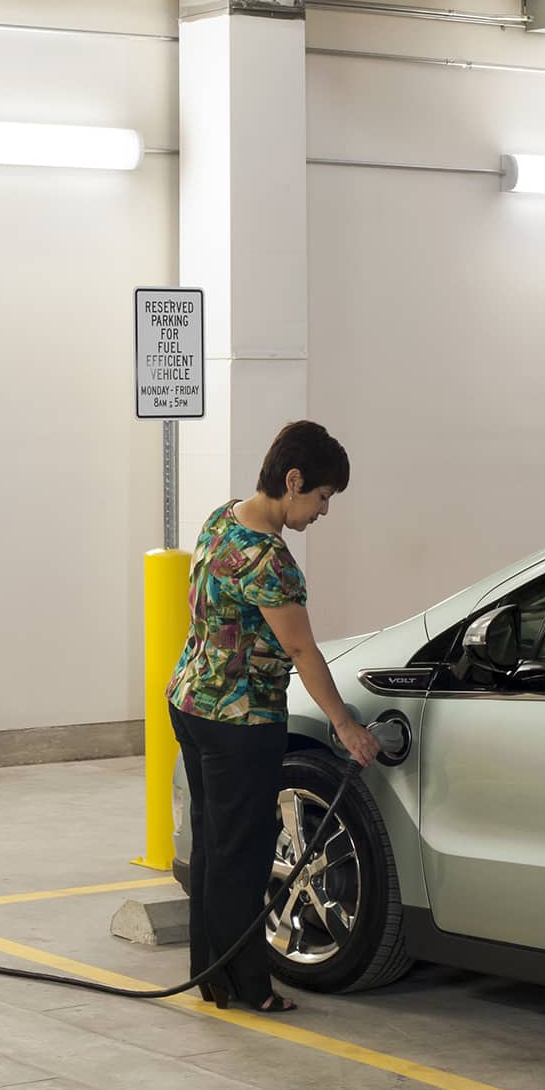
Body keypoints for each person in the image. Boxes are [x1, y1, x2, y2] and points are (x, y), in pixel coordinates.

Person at [165, 420, 380, 1013]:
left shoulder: (223, 517)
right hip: (240, 722)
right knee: (246, 855)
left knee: (213, 846)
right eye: (321, 496)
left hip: (191, 702)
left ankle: (212, 976)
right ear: (293, 480)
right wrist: (345, 725)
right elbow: (303, 650)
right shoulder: (270, 561)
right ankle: (250, 988)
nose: (323, 511)